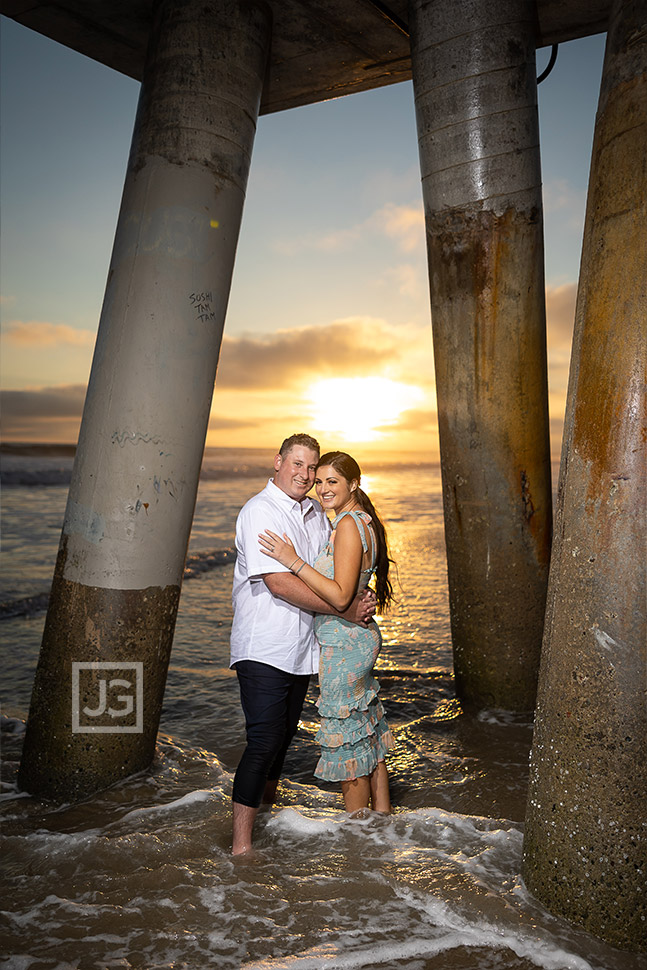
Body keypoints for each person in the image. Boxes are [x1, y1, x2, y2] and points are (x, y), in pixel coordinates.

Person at [230, 434, 375, 855]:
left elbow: (331, 572)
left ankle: (268, 816)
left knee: (283, 739)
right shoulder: (260, 511)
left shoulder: (313, 510)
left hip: (301, 649)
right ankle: (241, 847)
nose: (305, 475)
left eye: (312, 469)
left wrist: (357, 593)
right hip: (264, 645)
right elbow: (279, 582)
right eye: (297, 464)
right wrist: (344, 610)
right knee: (262, 740)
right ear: (277, 462)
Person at [259, 451, 394, 815]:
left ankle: (357, 840)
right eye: (319, 482)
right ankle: (383, 821)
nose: (322, 489)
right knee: (366, 733)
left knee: (348, 747)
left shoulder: (349, 524)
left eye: (332, 481)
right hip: (355, 639)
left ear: (353, 484)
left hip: (344, 646)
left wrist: (292, 560)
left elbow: (339, 595)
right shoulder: (361, 520)